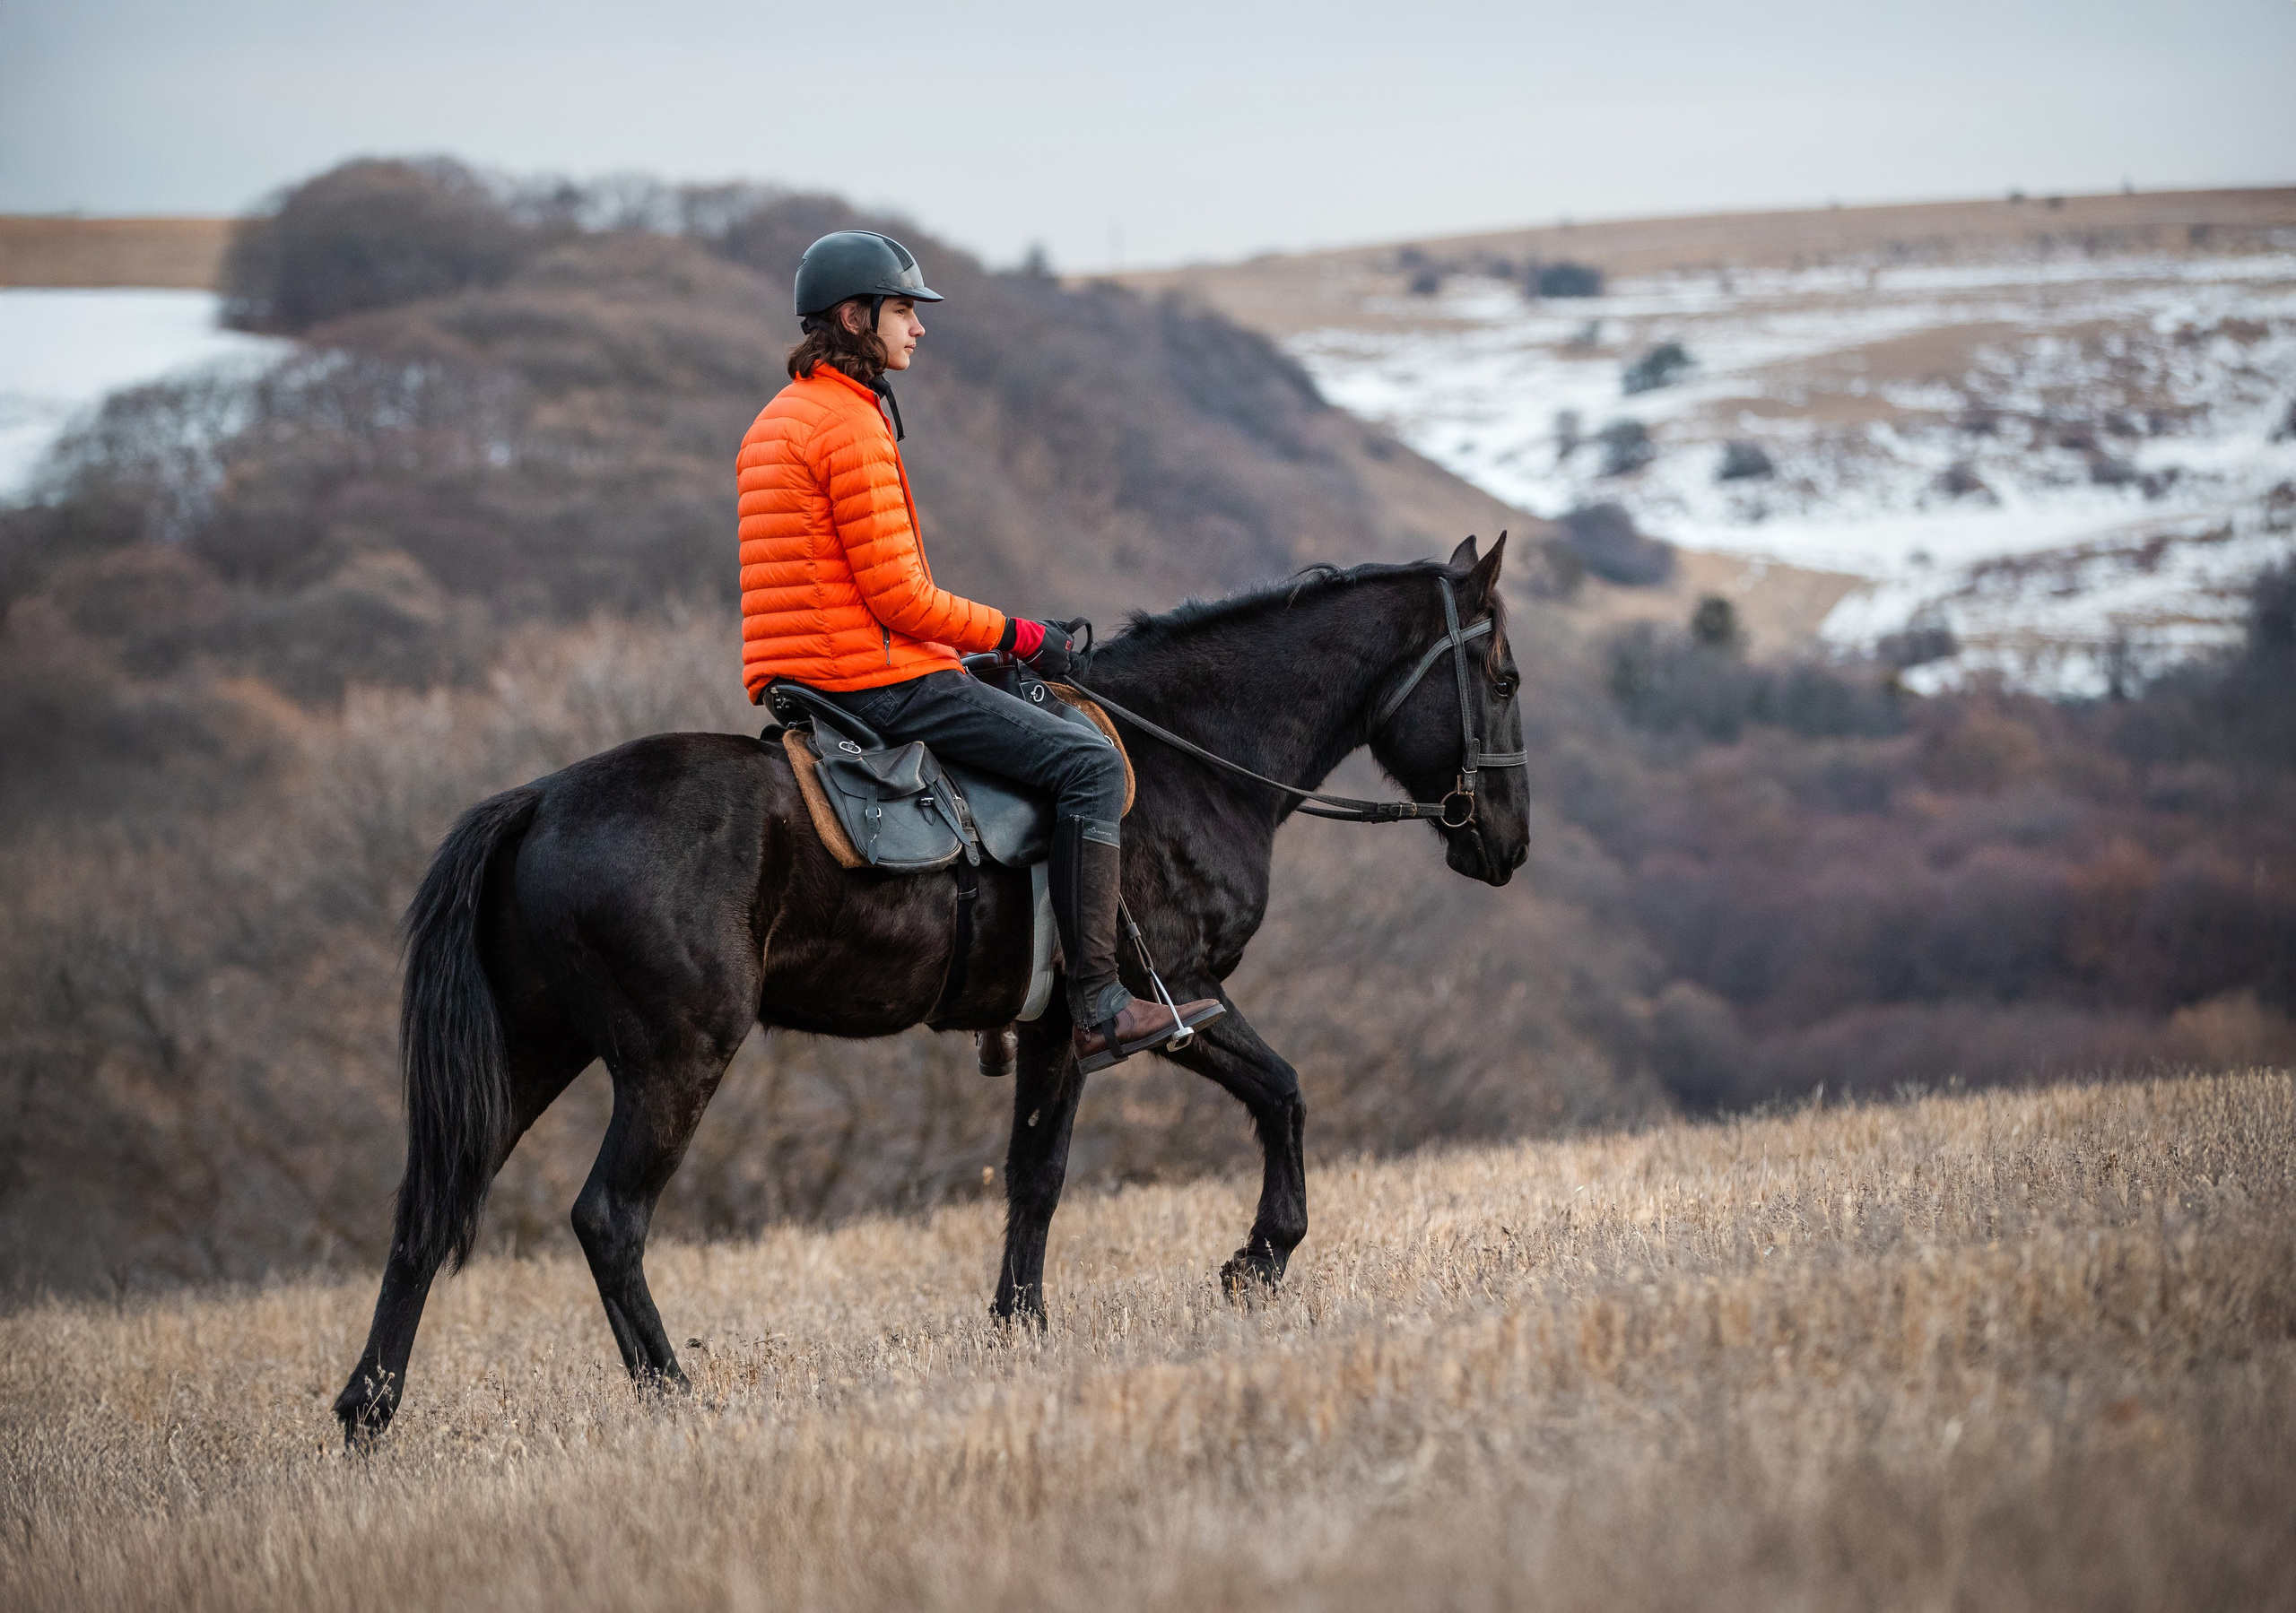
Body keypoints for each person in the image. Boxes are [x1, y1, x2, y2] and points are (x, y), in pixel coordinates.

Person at [736, 230, 1221, 1072]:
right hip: (873, 679)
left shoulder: (780, 419)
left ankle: (1000, 992)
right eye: (902, 312)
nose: (918, 328)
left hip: (810, 674)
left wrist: (971, 649)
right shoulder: (849, 428)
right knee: (1089, 767)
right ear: (855, 319)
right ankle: (1101, 1003)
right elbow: (899, 599)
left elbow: (859, 593)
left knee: (1002, 711)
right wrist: (1023, 636)